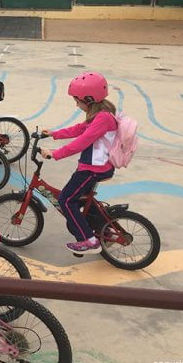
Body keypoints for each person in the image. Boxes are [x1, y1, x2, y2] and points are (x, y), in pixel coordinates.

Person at [39, 72, 118, 254]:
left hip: (93, 169)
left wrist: (54, 154)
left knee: (66, 200)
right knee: (81, 199)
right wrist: (53, 133)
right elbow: (80, 129)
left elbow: (83, 140)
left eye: (77, 100)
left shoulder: (103, 118)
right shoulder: (100, 114)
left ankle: (88, 240)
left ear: (89, 99)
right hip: (95, 167)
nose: (76, 104)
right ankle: (106, 229)